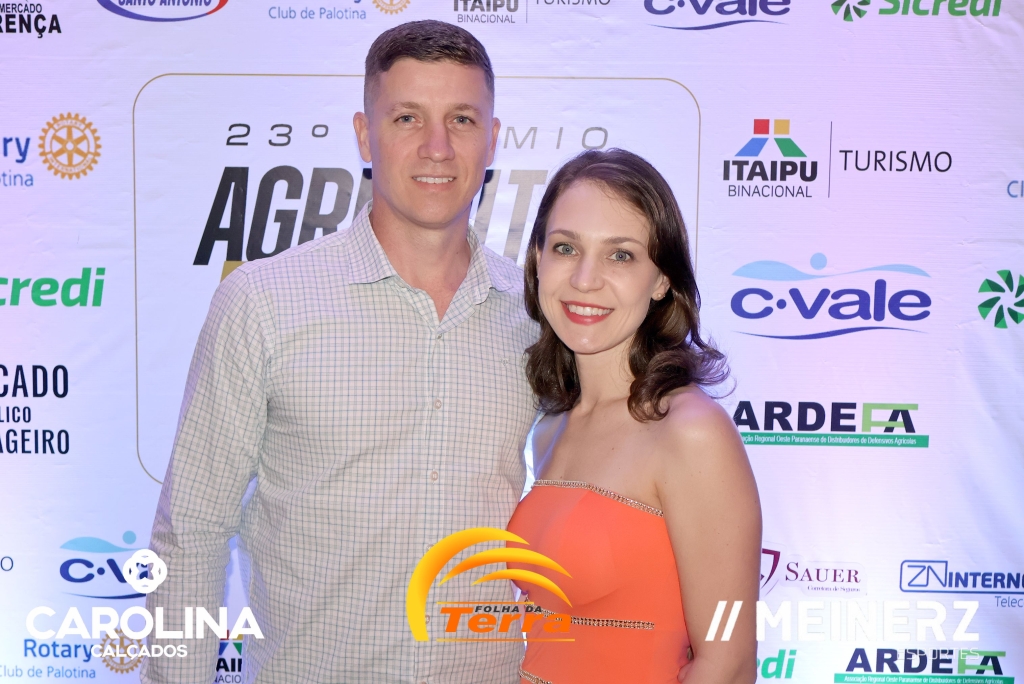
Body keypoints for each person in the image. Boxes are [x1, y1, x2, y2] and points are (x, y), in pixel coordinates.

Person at [142, 21, 539, 684]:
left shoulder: (536, 315)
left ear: (492, 138)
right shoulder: (263, 302)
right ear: (363, 134)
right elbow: (192, 531)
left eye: (462, 119)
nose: (437, 147)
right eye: (407, 117)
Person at [506, 149, 762, 684]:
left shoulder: (690, 431)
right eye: (565, 247)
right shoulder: (552, 425)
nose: (584, 279)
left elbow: (729, 660)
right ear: (537, 260)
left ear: (662, 279)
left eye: (620, 255)